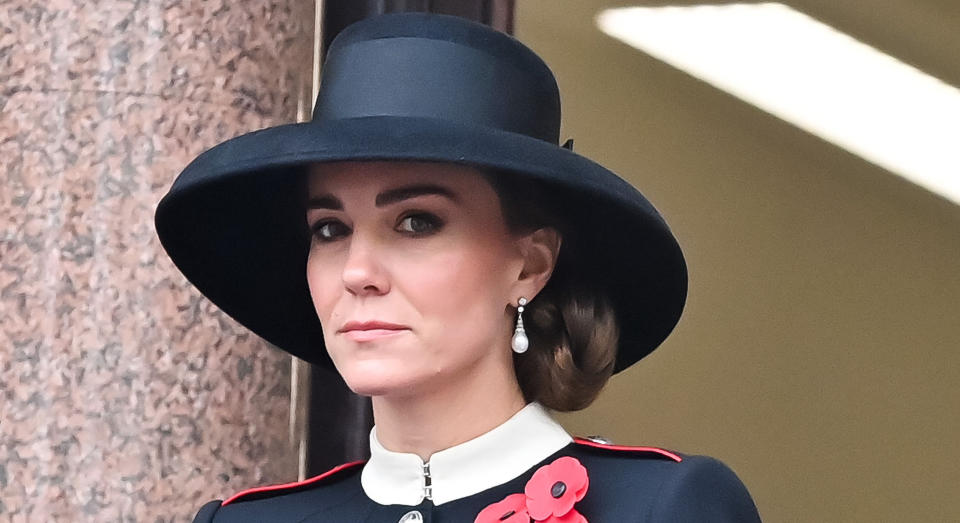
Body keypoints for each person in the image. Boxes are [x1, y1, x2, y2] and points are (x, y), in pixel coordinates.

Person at [155, 12, 762, 523]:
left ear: (530, 265)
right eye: (329, 229)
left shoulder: (661, 508)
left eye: (417, 222)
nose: (357, 271)